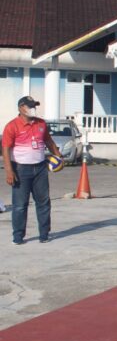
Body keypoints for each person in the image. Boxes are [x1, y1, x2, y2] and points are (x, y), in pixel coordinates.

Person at [2, 96, 62, 245]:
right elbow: (6, 149)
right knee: (20, 205)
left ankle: (44, 235)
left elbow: (48, 141)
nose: (33, 109)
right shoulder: (12, 126)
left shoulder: (41, 123)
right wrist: (9, 171)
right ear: (21, 108)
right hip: (20, 169)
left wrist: (58, 157)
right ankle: (18, 237)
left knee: (44, 202)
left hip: (40, 168)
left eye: (34, 106)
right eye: (30, 106)